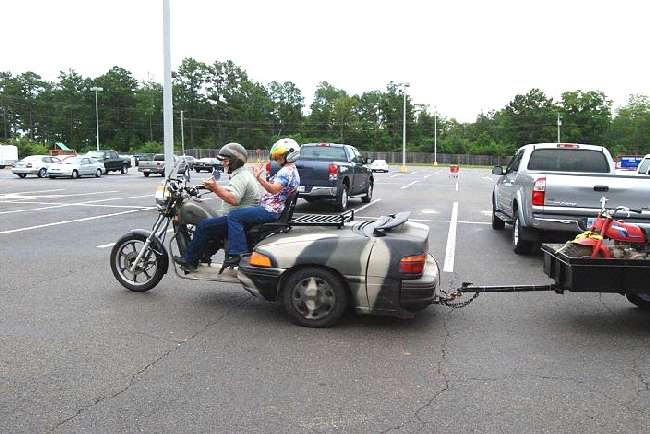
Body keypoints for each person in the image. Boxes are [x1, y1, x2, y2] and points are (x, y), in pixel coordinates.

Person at [174, 143, 260, 271]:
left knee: (203, 226)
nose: (223, 163)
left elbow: (233, 199)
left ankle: (190, 261)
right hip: (242, 217)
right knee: (211, 223)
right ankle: (204, 255)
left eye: (226, 160)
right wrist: (215, 187)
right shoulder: (241, 174)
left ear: (234, 161)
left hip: (238, 218)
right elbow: (233, 191)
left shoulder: (240, 177)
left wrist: (215, 188)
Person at [223, 138, 301, 267]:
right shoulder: (292, 170)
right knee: (242, 213)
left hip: (270, 210)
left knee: (234, 216)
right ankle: (246, 247)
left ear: (290, 155)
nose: (277, 158)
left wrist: (259, 178)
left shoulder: (286, 171)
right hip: (273, 208)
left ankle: (238, 253)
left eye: (280, 155)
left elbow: (274, 190)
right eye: (277, 155)